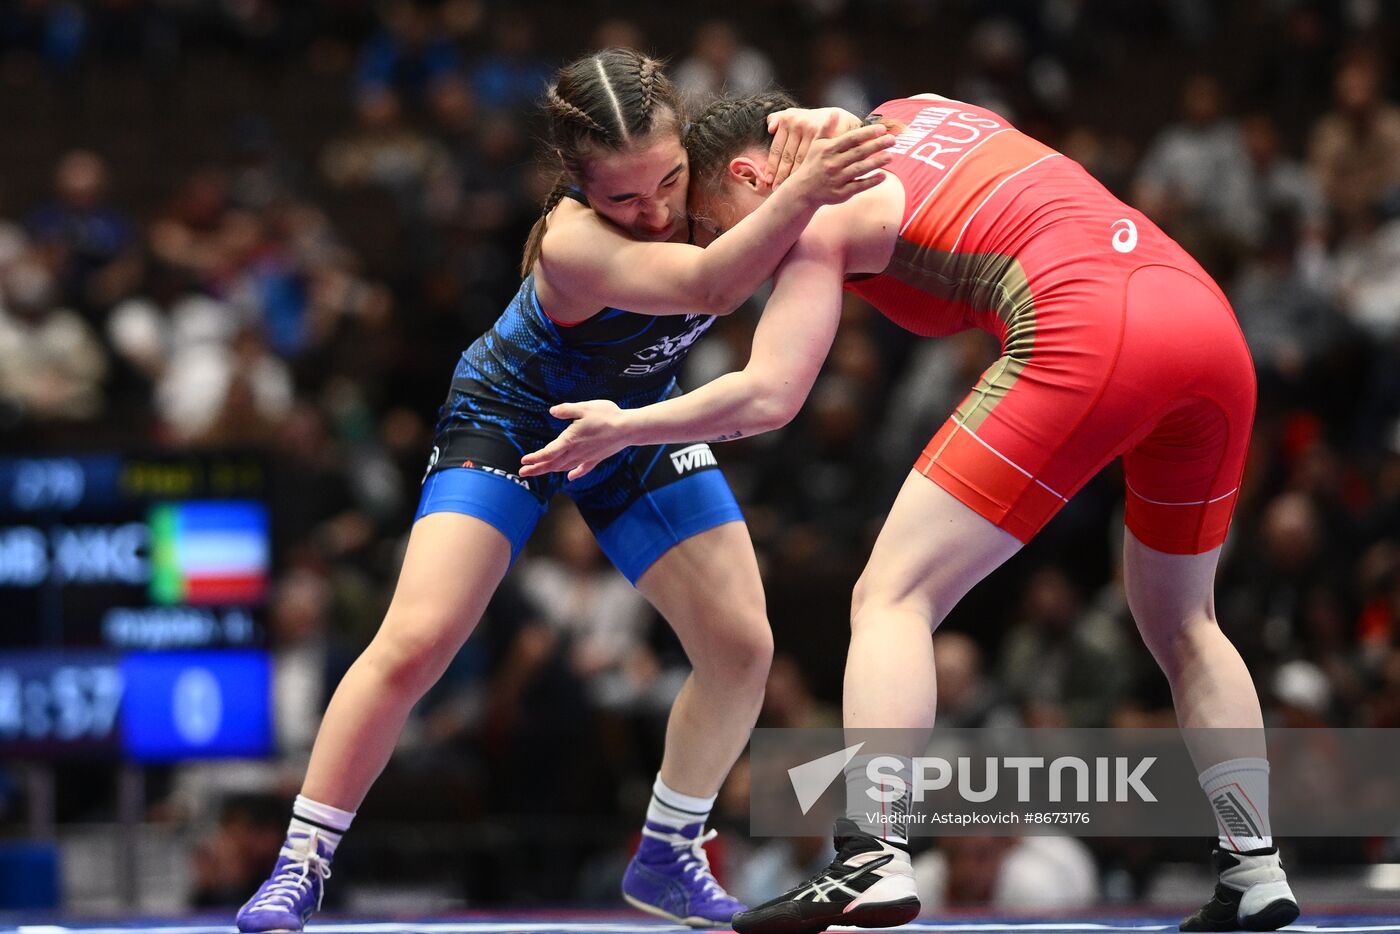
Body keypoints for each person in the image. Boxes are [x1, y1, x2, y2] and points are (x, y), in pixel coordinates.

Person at [521, 91, 1301, 933]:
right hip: (1205, 323)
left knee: (892, 595)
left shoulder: (812, 212)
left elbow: (770, 397)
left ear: (753, 174)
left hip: (1089, 324)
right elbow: (871, 127)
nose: (731, 255)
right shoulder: (913, 108)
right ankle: (1254, 871)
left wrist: (627, 424)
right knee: (1184, 623)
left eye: (715, 227)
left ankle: (873, 855)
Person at [235, 52, 893, 933]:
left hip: (633, 417)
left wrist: (826, 133)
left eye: (667, 180)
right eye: (624, 199)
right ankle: (299, 865)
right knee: (421, 637)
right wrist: (805, 188)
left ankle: (667, 854)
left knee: (741, 646)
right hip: (514, 419)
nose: (656, 211)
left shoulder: (720, 166)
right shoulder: (574, 240)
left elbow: (849, 136)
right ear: (579, 188)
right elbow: (712, 285)